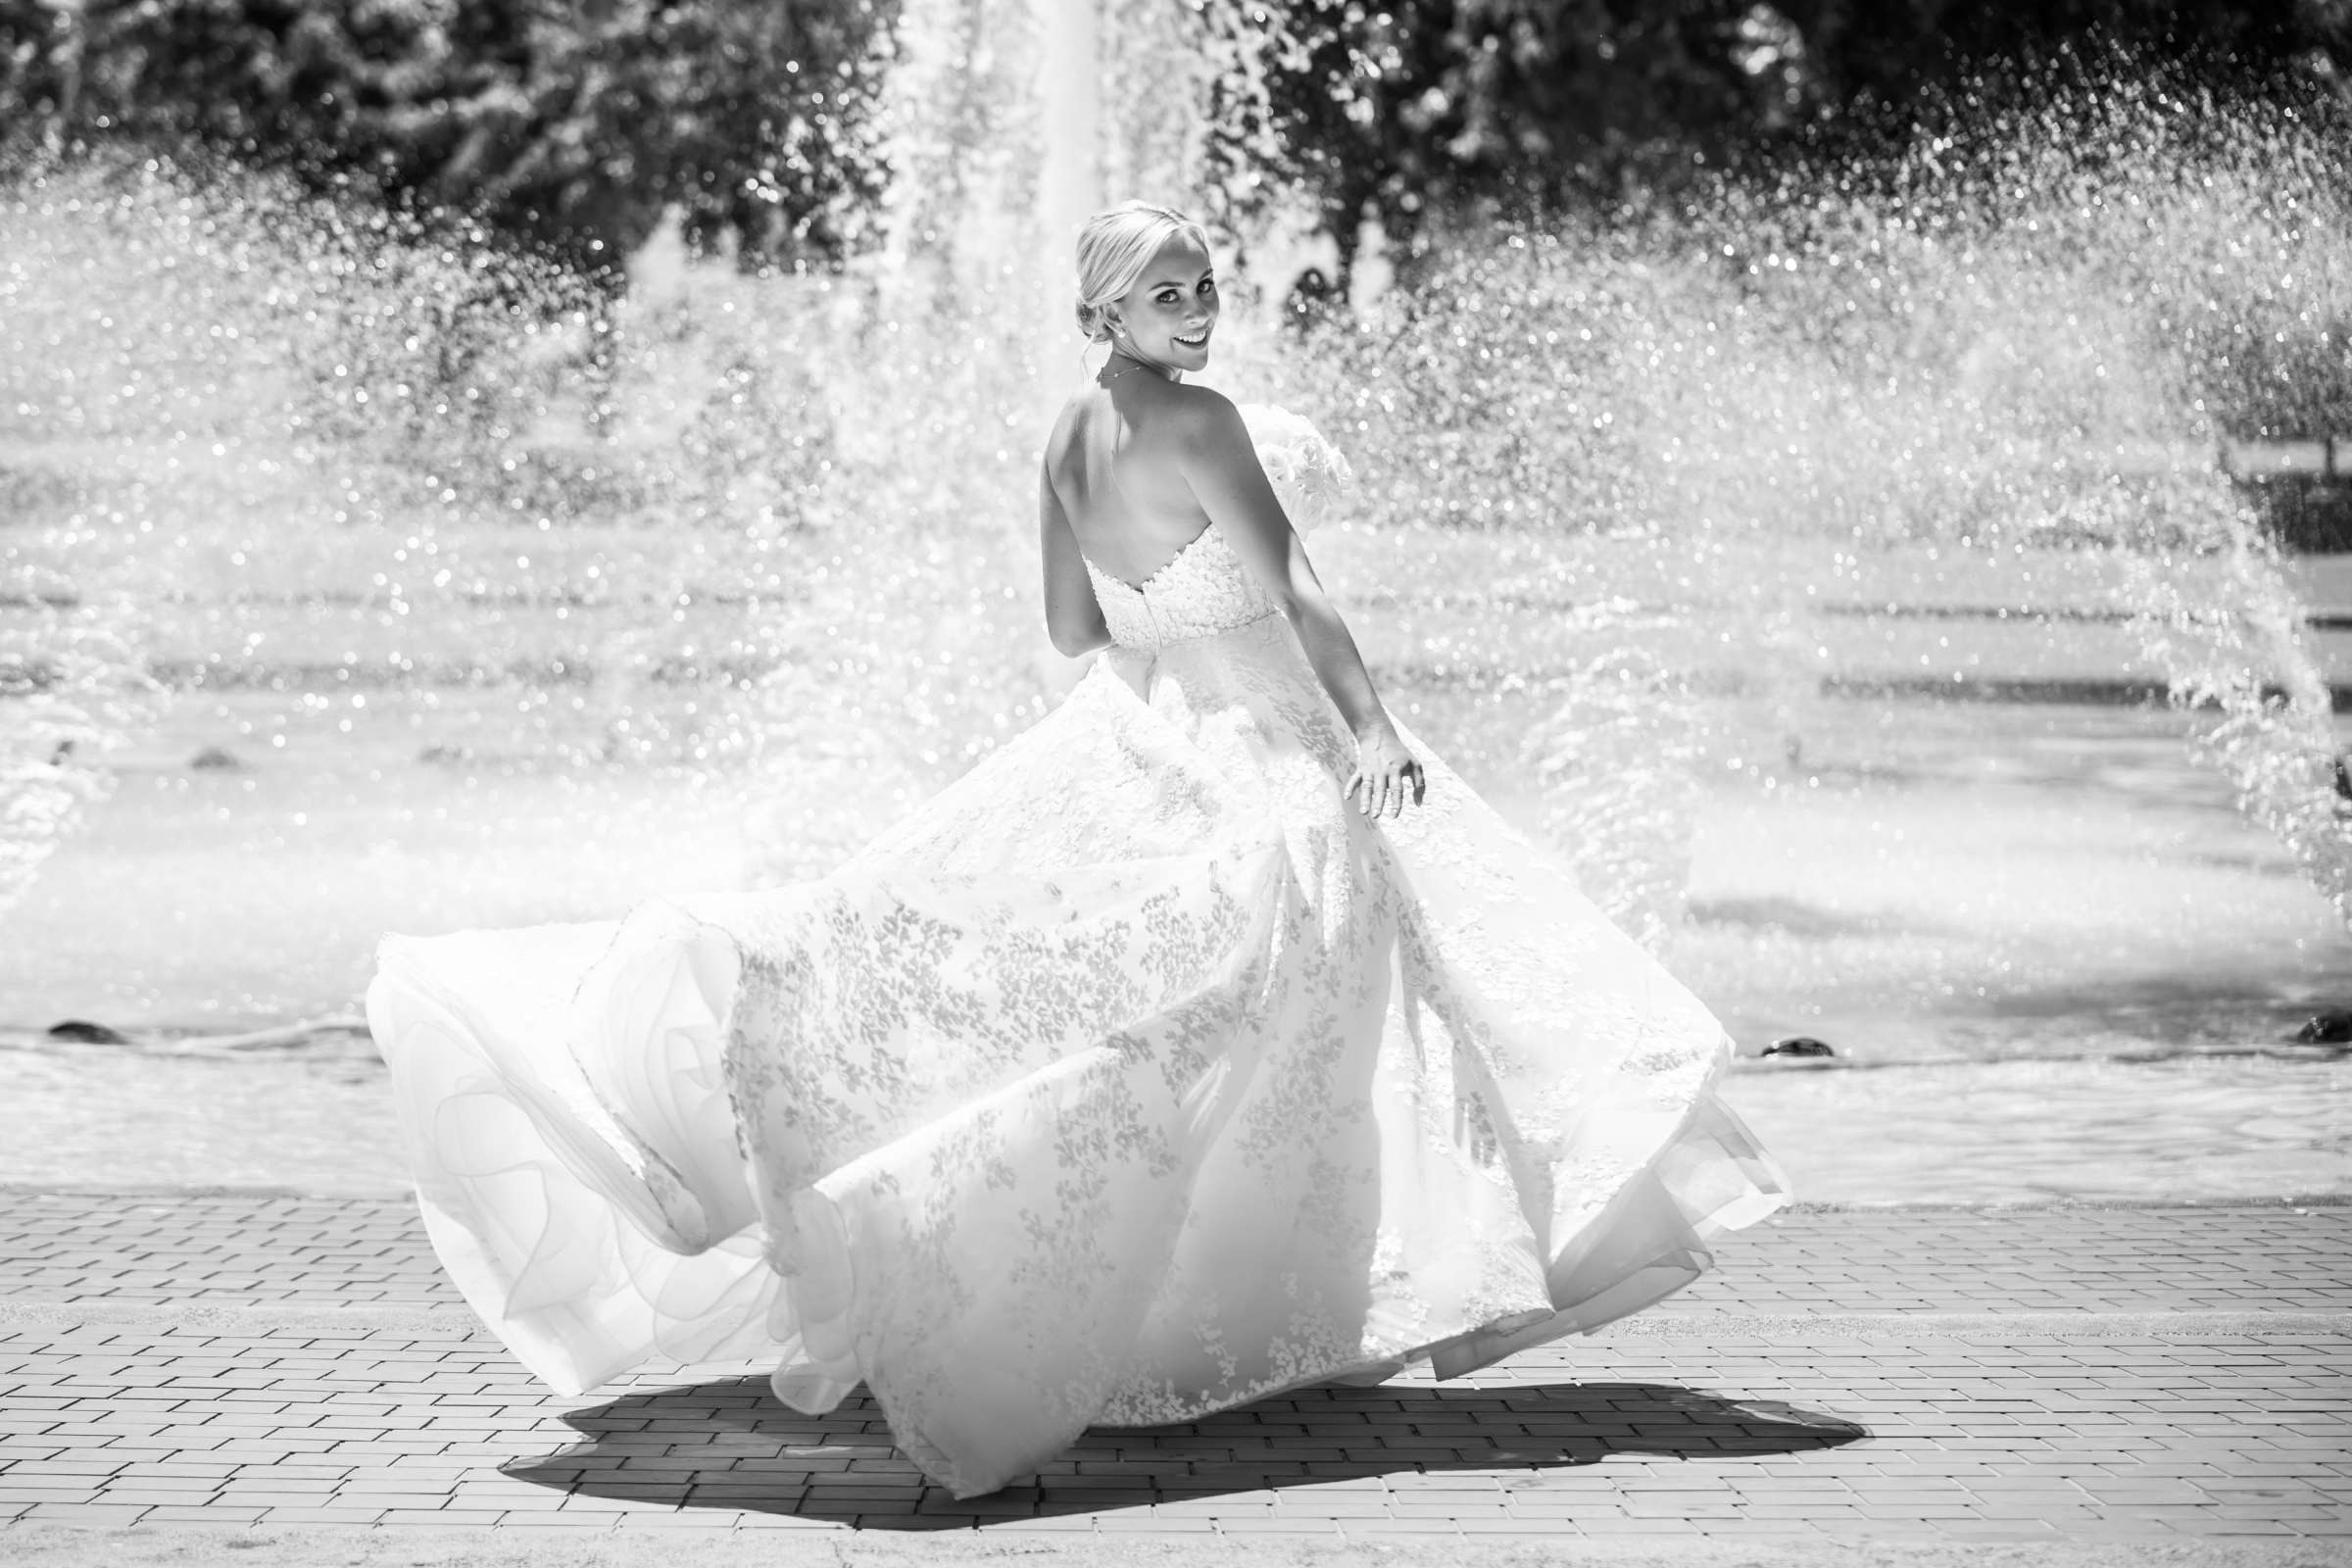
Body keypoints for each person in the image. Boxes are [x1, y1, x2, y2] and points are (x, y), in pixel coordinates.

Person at [367, 199, 1788, 1501]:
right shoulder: (1203, 423)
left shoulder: (1066, 435)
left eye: (1209, 290)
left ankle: (1211, 1312)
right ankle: (1235, 1315)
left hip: (1152, 720)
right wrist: (1370, 729)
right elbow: (1293, 585)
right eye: (1169, 295)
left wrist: (1169, 645)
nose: (1199, 313)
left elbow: (1070, 631)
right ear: (1105, 312)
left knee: (1247, 1015)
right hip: (1263, 736)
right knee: (1309, 1016)